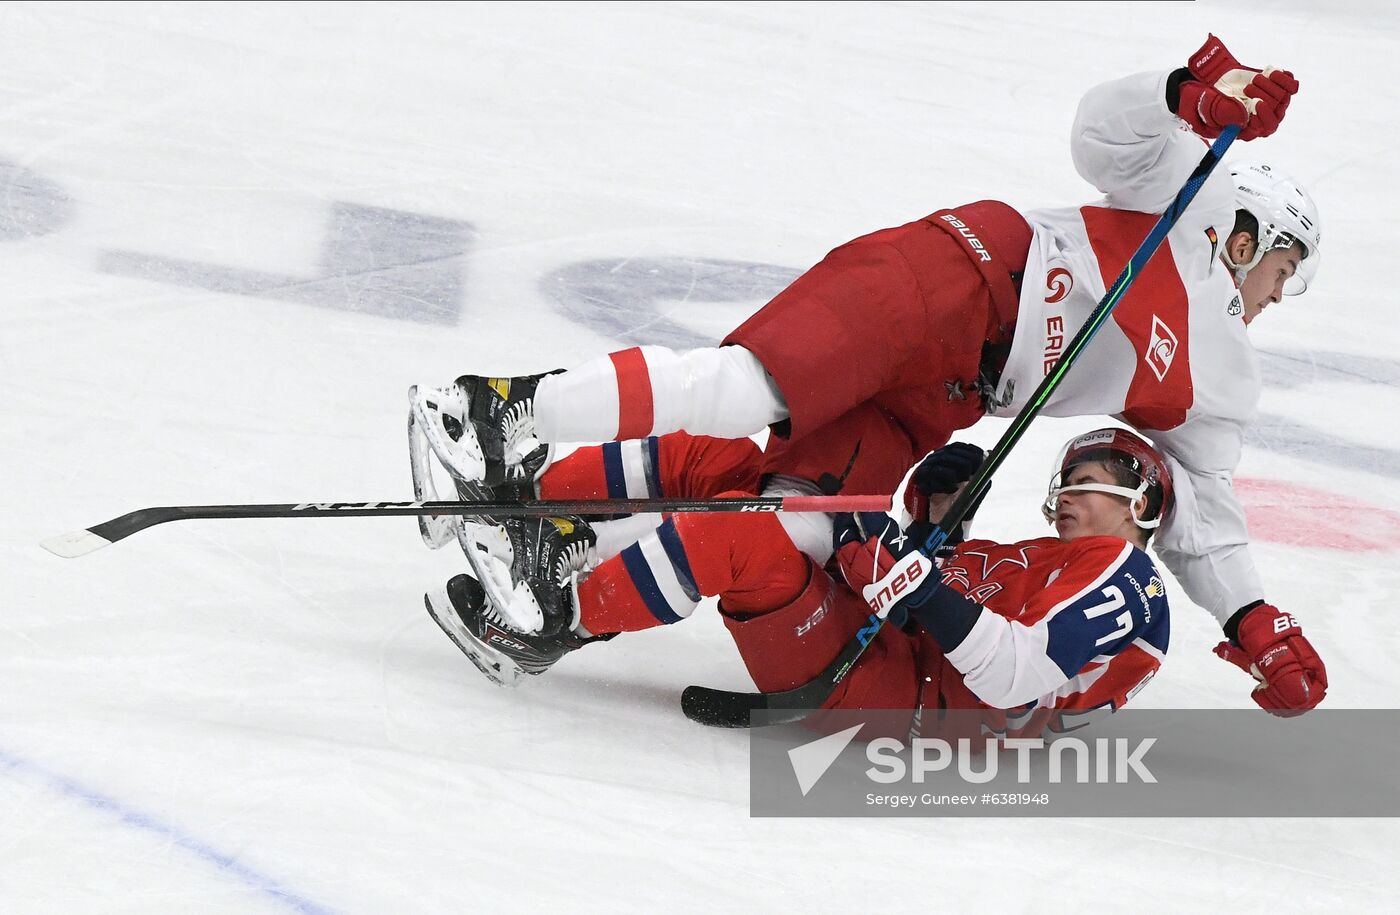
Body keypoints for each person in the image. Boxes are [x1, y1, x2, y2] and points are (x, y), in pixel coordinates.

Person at [411, 34, 1325, 714]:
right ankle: (500, 415)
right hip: (967, 278)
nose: (1278, 298)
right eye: (1286, 272)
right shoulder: (1193, 192)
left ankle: (550, 578)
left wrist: (1253, 621)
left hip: (952, 399)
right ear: (1257, 234)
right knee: (750, 391)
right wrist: (1189, 93)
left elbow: (1202, 510)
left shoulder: (1223, 378)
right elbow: (1102, 136)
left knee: (799, 512)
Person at [426, 430, 1173, 739]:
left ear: (1143, 500)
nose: (1071, 491)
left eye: (1093, 481)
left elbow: (1011, 677)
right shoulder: (1044, 553)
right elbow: (927, 589)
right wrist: (928, 522)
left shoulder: (1129, 577)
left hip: (898, 703)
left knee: (745, 533)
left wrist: (898, 569)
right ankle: (527, 499)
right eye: (1068, 477)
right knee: (744, 471)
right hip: (882, 652)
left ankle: (549, 624)